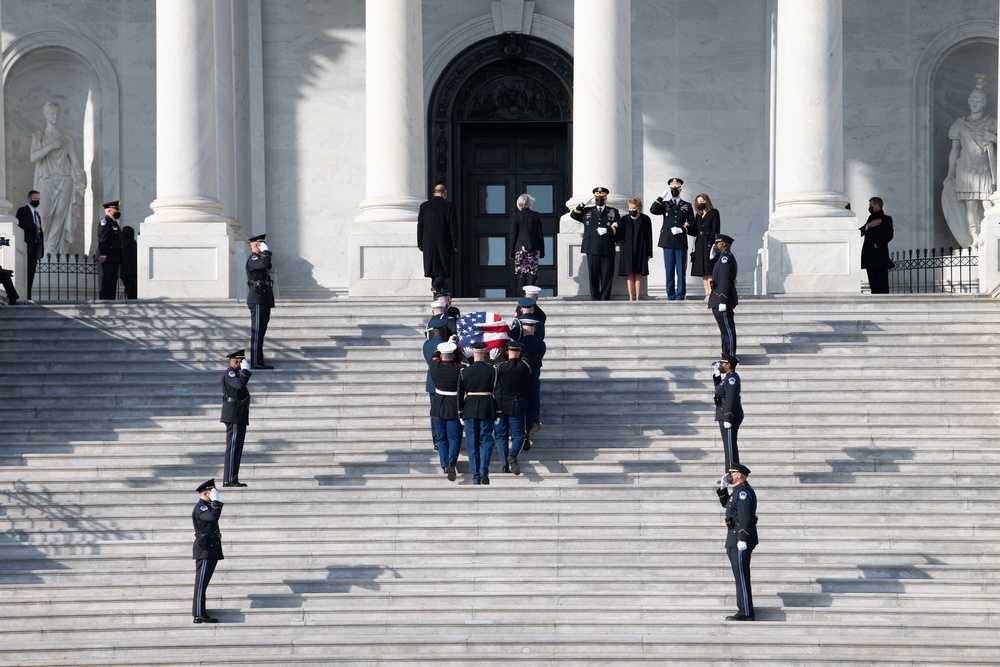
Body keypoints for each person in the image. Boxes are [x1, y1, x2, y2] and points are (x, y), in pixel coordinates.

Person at [943, 72, 997, 247]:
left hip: (984, 168)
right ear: (968, 102)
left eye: (978, 101)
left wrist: (993, 137)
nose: (974, 104)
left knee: (988, 202)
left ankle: (992, 237)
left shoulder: (992, 122)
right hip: (965, 169)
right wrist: (950, 174)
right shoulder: (959, 124)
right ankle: (974, 238)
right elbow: (954, 151)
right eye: (972, 101)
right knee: (971, 205)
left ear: (984, 103)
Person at [30, 101, 85, 257]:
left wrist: (80, 175)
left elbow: (74, 161)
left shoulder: (66, 138)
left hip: (65, 178)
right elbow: (34, 157)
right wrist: (51, 146)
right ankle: (41, 246)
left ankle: (51, 250)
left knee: (60, 215)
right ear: (45, 115)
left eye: (56, 114)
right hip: (46, 179)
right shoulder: (39, 136)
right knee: (44, 213)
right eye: (52, 113)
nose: (55, 116)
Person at [716, 463, 758, 621]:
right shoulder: (737, 492)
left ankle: (746, 612)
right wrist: (723, 489)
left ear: (739, 475)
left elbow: (745, 517)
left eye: (732, 473)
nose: (730, 476)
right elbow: (727, 505)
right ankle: (744, 608)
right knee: (739, 576)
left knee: (742, 576)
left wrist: (743, 538)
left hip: (740, 539)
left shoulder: (743, 493)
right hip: (733, 538)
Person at [569, 186, 620, 301]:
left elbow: (619, 228)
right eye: (597, 197)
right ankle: (595, 298)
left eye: (602, 197)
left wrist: (607, 230)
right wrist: (582, 205)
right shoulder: (587, 211)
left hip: (607, 247)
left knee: (607, 275)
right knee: (593, 275)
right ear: (594, 198)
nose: (600, 199)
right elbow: (573, 215)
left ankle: (605, 298)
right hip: (591, 247)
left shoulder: (613, 211)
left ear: (606, 198)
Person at [459, 341, 499, 485]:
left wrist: (460, 413)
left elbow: (460, 394)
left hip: (469, 408)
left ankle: (475, 476)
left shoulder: (464, 371)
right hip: (487, 407)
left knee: (472, 443)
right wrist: (498, 412)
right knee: (486, 440)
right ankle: (484, 470)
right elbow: (498, 391)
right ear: (485, 353)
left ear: (473, 354)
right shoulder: (492, 370)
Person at [650, 178, 694, 300]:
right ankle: (670, 295)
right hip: (668, 241)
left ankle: (680, 295)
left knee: (681, 271)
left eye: (676, 188)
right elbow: (653, 210)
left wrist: (682, 229)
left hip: (680, 241)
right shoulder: (665, 204)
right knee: (669, 270)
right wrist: (661, 197)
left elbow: (692, 223)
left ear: (681, 189)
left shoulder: (687, 205)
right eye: (672, 189)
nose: (674, 190)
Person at [494, 339, 532, 475]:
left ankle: (504, 464)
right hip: (517, 403)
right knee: (519, 434)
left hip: (501, 404)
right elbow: (528, 357)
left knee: (501, 436)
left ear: (508, 351)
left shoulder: (500, 367)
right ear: (520, 352)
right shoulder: (525, 366)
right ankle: (513, 456)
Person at [429, 341, 463, 481]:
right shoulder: (459, 370)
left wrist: (448, 343)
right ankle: (451, 463)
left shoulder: (434, 367)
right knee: (454, 438)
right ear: (453, 355)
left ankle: (444, 464)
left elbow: (434, 355)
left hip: (438, 407)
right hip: (453, 407)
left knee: (441, 437)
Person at [192, 478, 224, 624]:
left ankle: (201, 611)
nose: (214, 495)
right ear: (206, 493)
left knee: (203, 583)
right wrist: (216, 502)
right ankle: (198, 613)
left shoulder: (206, 506)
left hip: (209, 549)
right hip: (204, 549)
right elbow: (213, 516)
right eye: (212, 493)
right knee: (201, 583)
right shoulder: (202, 508)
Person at [417, 184, 459, 294]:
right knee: (442, 268)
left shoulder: (424, 206)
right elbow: (452, 227)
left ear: (434, 193)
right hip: (443, 241)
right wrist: (454, 243)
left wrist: (420, 242)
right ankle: (436, 286)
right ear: (445, 193)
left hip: (428, 242)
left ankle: (436, 290)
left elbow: (420, 226)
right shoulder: (450, 206)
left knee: (433, 267)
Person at [221, 349, 252, 487]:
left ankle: (233, 478)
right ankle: (228, 479)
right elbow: (239, 385)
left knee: (237, 448)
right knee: (233, 448)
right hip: (233, 414)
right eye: (239, 361)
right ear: (233, 361)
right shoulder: (230, 373)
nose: (241, 364)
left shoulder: (236, 374)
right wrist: (245, 372)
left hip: (238, 414)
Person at [616, 196, 653, 301]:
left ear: (639, 208)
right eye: (630, 208)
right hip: (627, 249)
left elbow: (649, 236)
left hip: (641, 248)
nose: (632, 210)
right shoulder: (624, 219)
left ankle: (638, 297)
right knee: (630, 273)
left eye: (634, 208)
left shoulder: (645, 219)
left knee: (639, 273)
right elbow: (619, 236)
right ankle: (631, 297)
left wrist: (649, 253)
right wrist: (615, 227)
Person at [246, 234, 275, 369]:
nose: (263, 247)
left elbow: (267, 264)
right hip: (257, 299)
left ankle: (259, 361)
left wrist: (266, 254)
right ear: (257, 245)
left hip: (262, 298)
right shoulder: (253, 258)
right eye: (261, 244)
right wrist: (266, 252)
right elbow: (265, 263)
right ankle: (256, 362)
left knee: (260, 332)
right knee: (257, 333)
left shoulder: (258, 258)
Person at [708, 234, 738, 358]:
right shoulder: (721, 258)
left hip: (721, 298)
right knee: (724, 330)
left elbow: (725, 280)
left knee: (727, 330)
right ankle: (725, 353)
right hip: (717, 298)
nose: (715, 246)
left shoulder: (726, 258)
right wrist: (712, 257)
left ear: (724, 244)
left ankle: (729, 356)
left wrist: (722, 299)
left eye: (717, 244)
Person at [509, 193, 545, 291]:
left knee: (521, 274)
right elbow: (540, 235)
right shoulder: (536, 215)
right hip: (533, 248)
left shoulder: (516, 216)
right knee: (533, 272)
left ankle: (523, 297)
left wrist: (511, 251)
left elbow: (513, 235)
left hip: (520, 249)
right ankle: (530, 294)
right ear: (530, 203)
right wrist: (542, 251)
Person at [518, 318, 546, 444]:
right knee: (532, 407)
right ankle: (527, 432)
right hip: (533, 379)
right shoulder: (541, 344)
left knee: (520, 408)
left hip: (520, 381)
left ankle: (519, 432)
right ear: (534, 329)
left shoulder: (517, 344)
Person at [714, 354, 743, 473]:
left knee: (730, 446)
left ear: (728, 365)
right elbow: (719, 390)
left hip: (728, 415)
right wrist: (716, 375)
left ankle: (732, 472)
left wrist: (728, 417)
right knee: (728, 445)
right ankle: (730, 471)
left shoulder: (732, 379)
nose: (721, 365)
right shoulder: (726, 377)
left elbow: (731, 398)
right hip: (723, 413)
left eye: (722, 363)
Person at [423, 316, 449, 449]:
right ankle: (446, 438)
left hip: (432, 381)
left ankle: (437, 440)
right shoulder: (447, 344)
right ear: (444, 329)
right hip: (446, 381)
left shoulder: (426, 344)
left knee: (434, 412)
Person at [689, 193, 721, 299]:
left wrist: (710, 242)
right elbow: (695, 231)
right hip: (699, 243)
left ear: (706, 201)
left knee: (709, 269)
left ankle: (712, 293)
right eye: (698, 202)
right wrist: (687, 228)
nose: (700, 204)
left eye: (702, 201)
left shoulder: (714, 213)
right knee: (703, 271)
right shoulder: (698, 215)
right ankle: (707, 293)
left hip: (708, 242)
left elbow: (715, 229)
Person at [860, 197, 894, 294]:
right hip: (869, 257)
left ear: (877, 205)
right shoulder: (870, 219)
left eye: (871, 205)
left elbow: (889, 235)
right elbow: (860, 232)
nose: (870, 207)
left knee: (882, 285)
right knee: (873, 286)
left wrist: (877, 245)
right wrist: (869, 225)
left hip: (880, 256)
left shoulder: (886, 219)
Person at [15, 190, 43, 301]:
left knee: (31, 273)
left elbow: (39, 229)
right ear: (29, 199)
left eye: (39, 199)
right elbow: (21, 224)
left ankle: (29, 296)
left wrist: (39, 230)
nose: (37, 201)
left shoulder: (37, 214)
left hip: (35, 248)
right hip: (27, 246)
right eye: (35, 199)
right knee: (24, 273)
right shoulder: (22, 211)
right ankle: (23, 296)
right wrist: (35, 227)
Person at [97, 200, 123, 300]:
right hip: (107, 257)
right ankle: (105, 302)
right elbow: (102, 239)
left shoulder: (114, 223)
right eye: (115, 210)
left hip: (114, 257)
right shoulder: (105, 222)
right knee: (105, 281)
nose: (118, 212)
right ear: (109, 211)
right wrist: (103, 254)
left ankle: (111, 301)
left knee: (112, 281)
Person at [120, 225, 138, 300]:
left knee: (129, 291)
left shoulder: (122, 243)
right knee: (133, 293)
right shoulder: (132, 243)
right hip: (132, 272)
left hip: (124, 272)